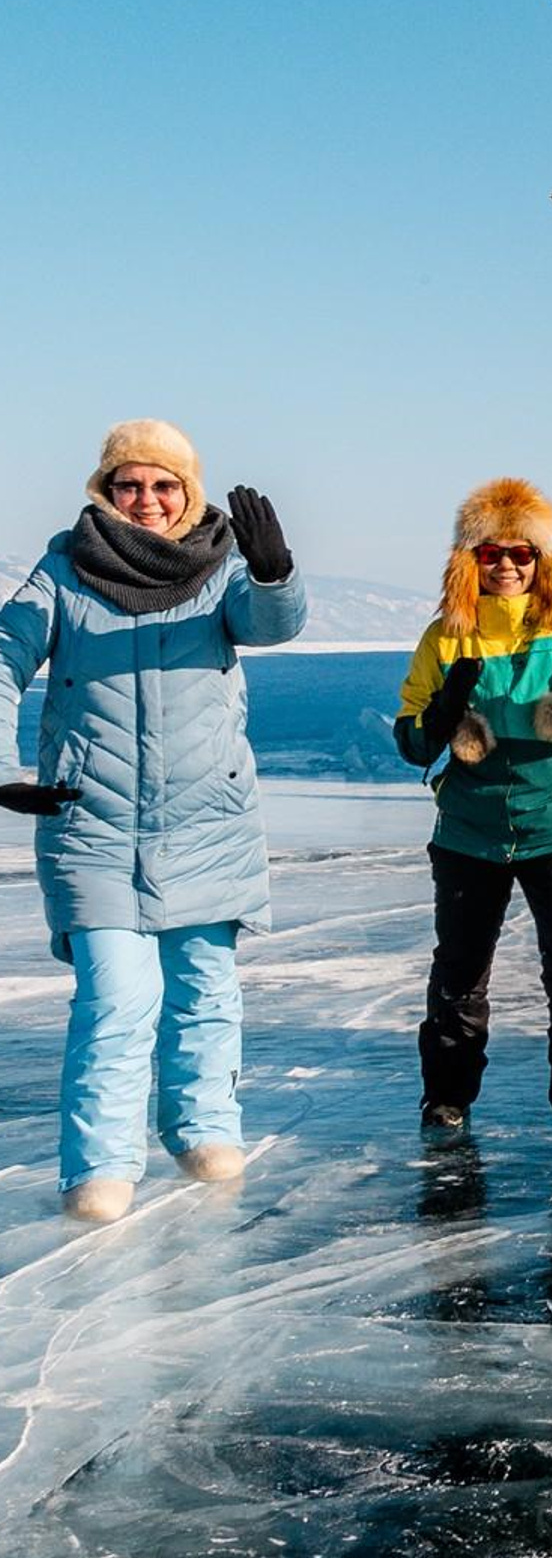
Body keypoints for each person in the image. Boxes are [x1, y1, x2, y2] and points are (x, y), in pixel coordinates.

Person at [0, 421, 306, 1220]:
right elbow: (3, 655)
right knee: (115, 998)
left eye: (164, 485)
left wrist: (274, 574)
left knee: (205, 991)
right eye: (129, 484)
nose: (147, 500)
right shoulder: (65, 569)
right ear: (105, 490)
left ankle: (204, 1128)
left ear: (187, 491)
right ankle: (100, 1166)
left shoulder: (220, 570)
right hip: (92, 823)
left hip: (208, 821)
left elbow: (270, 625)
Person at [394, 479, 552, 1162]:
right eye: (491, 553)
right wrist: (443, 711)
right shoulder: (445, 636)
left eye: (521, 554)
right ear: (470, 560)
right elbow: (412, 742)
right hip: (469, 831)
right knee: (460, 974)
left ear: (540, 560)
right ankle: (446, 1100)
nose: (506, 565)